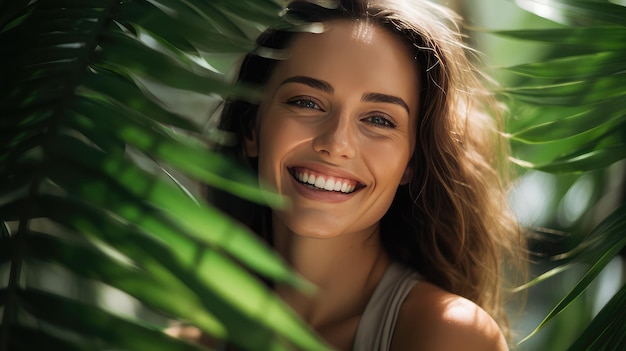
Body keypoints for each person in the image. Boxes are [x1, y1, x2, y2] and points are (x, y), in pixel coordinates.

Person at [180, 0, 526, 350]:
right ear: (252, 128)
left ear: (411, 163)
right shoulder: (192, 339)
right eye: (307, 102)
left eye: (379, 120)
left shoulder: (450, 334)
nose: (336, 143)